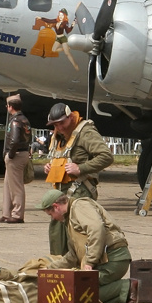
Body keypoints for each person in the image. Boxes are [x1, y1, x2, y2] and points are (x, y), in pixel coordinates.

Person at [40, 189, 140, 303]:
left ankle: (126, 288)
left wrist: (89, 261)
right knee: (74, 294)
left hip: (113, 259)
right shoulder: (70, 219)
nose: (53, 218)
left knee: (77, 297)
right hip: (106, 260)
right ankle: (121, 291)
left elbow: (97, 229)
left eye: (51, 215)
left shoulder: (79, 206)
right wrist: (50, 269)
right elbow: (73, 255)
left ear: (56, 207)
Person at [42, 102, 114, 254]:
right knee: (57, 236)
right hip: (60, 194)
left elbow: (106, 156)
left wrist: (81, 168)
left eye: (62, 123)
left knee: (77, 238)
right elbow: (61, 156)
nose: (59, 127)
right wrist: (50, 166)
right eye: (55, 124)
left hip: (79, 192)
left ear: (70, 117)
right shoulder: (59, 135)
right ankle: (59, 270)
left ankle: (81, 271)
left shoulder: (85, 132)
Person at [0, 94, 31, 224]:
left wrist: (10, 155)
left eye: (7, 106)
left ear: (10, 107)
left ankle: (17, 214)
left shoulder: (15, 121)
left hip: (16, 155)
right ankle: (7, 213)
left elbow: (15, 140)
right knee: (8, 185)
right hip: (22, 153)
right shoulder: (24, 120)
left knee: (16, 186)